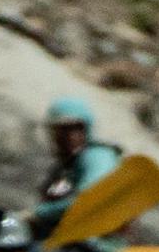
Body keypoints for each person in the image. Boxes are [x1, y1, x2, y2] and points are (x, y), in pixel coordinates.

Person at [29, 96, 123, 238]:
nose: (70, 136)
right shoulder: (64, 170)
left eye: (76, 128)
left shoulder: (97, 156)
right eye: (62, 130)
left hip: (95, 244)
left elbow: (90, 200)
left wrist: (39, 213)